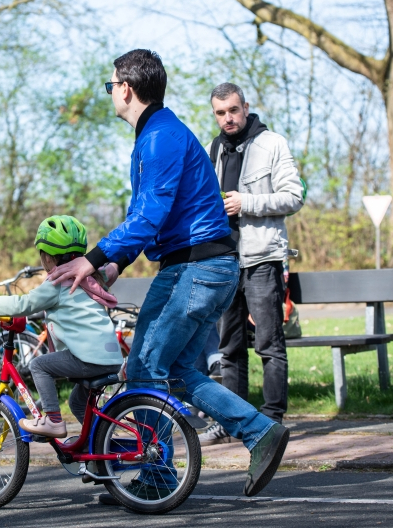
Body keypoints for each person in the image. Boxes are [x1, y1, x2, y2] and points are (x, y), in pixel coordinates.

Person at [49, 50, 289, 500]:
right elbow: (149, 217)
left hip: (194, 269)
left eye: (111, 86)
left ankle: (158, 478)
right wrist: (115, 264)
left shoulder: (159, 138)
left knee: (143, 369)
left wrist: (92, 257)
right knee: (177, 371)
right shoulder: (158, 134)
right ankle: (261, 431)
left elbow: (148, 216)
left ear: (126, 88)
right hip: (209, 267)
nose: (111, 94)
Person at [200, 83, 305, 446]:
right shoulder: (212, 148)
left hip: (262, 259)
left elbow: (294, 197)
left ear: (245, 107)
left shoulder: (272, 143)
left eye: (232, 110)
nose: (227, 118)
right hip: (224, 261)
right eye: (220, 113)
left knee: (268, 343)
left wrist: (247, 202)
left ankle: (272, 421)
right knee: (228, 348)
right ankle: (234, 422)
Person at [0, 215, 123, 437]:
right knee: (77, 402)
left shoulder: (56, 282)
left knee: (39, 365)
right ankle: (99, 445)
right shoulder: (92, 276)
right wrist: (117, 259)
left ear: (48, 257)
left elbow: (25, 303)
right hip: (111, 358)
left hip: (88, 357)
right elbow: (111, 271)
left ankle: (53, 421)